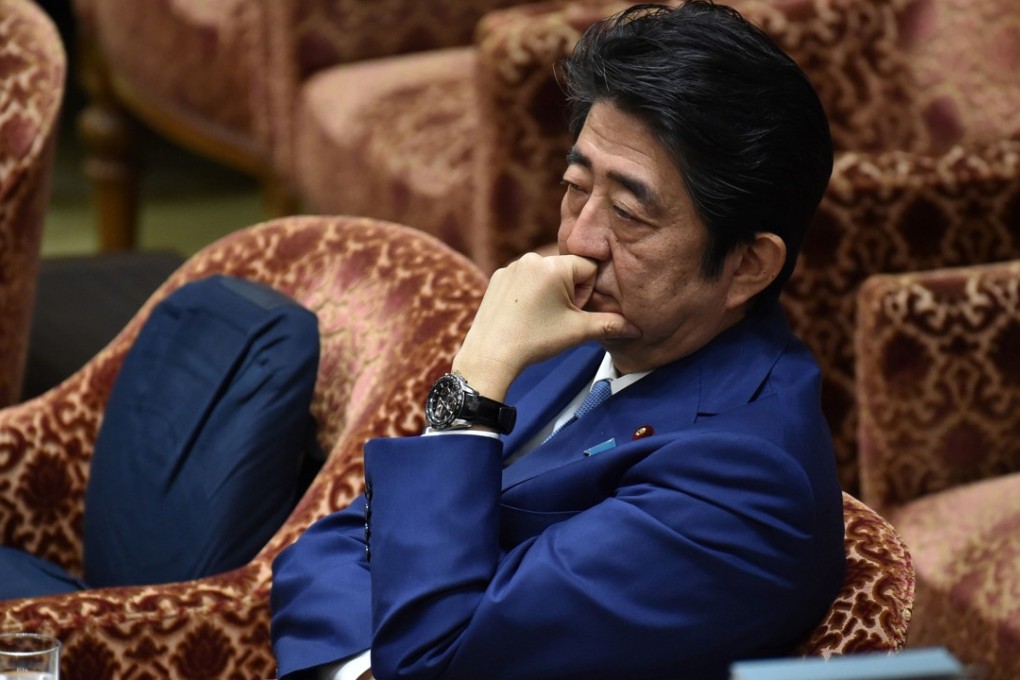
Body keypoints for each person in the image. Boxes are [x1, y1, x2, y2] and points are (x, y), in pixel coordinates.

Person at [270, 2, 845, 678]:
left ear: (748, 265)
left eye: (629, 215)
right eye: (575, 188)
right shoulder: (594, 327)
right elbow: (333, 544)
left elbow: (434, 663)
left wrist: (473, 387)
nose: (577, 240)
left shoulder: (744, 484)